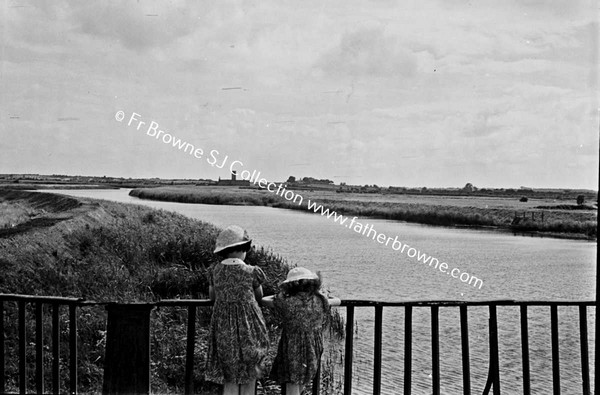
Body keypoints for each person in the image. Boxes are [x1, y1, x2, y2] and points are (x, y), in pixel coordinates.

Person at [205, 225, 269, 395]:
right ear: (243, 249)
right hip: (250, 326)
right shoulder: (251, 271)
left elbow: (212, 297)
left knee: (230, 374)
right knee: (250, 371)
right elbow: (259, 296)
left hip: (224, 325)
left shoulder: (215, 271)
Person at [262, 267, 341, 395]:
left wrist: (281, 293)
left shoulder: (286, 301)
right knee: (304, 380)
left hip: (291, 345)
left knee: (292, 382)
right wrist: (322, 294)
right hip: (313, 346)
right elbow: (337, 300)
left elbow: (265, 300)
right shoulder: (319, 300)